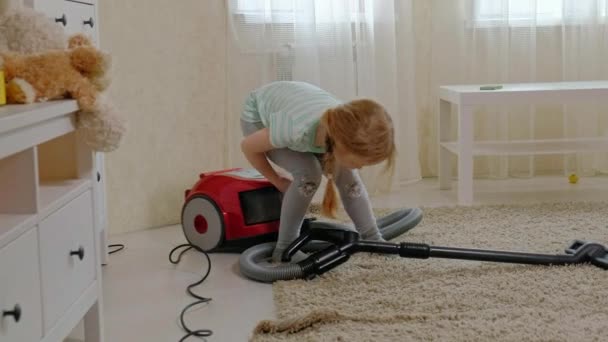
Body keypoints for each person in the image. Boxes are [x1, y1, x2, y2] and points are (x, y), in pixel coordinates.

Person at [240, 81, 396, 263]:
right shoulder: (293, 129)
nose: (361, 167)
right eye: (359, 162)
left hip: (304, 118)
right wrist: (275, 179)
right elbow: (248, 147)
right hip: (259, 117)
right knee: (308, 174)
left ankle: (371, 236)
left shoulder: (344, 127)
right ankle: (284, 248)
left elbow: (349, 183)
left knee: (347, 176)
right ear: (341, 146)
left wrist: (374, 240)